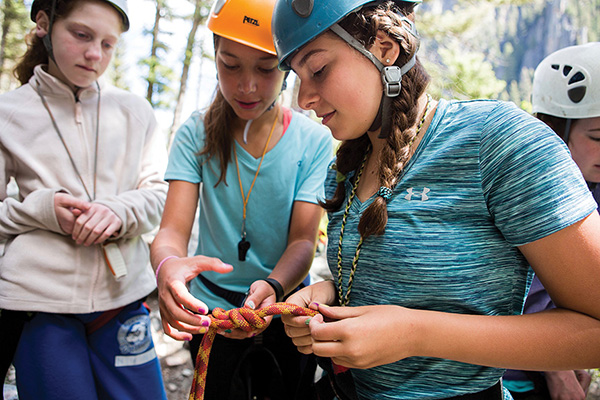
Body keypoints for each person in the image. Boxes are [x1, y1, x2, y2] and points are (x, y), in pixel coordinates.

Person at [270, 1, 600, 399]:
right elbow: (393, 284)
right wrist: (330, 297)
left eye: (319, 70)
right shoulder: (343, 170)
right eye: (297, 78)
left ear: (384, 47)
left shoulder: (498, 142)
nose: (304, 98)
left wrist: (415, 334)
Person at [149, 0, 332, 398]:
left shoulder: (313, 141)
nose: (246, 85)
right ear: (214, 58)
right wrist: (168, 269)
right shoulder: (195, 134)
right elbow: (171, 232)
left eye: (265, 68)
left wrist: (273, 286)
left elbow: (303, 239)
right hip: (211, 310)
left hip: (284, 310)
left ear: (286, 67)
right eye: (230, 65)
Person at [0, 0, 169, 398]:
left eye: (109, 44)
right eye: (81, 35)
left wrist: (117, 210)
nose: (95, 54)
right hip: (39, 305)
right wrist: (43, 210)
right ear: (44, 23)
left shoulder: (135, 111)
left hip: (122, 300)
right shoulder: (7, 114)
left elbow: (159, 194)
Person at [503, 42, 600, 400]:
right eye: (598, 137)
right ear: (556, 131)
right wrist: (559, 374)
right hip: (510, 370)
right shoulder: (523, 186)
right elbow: (524, 295)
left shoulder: (591, 182)